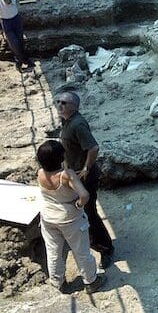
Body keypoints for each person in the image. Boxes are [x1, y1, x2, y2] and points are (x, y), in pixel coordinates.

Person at [36, 140, 106, 293]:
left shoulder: (40, 173)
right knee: (81, 251)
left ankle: (57, 283)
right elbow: (84, 195)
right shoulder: (66, 175)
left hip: (48, 217)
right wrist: (79, 205)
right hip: (70, 219)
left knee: (53, 251)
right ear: (61, 157)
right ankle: (91, 281)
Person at [56, 91, 114, 269]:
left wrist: (86, 168)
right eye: (58, 101)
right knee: (82, 211)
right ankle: (92, 240)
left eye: (64, 103)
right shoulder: (67, 121)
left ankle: (106, 248)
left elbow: (94, 147)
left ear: (74, 106)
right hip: (74, 174)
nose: (59, 105)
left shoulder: (77, 124)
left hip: (84, 177)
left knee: (89, 211)